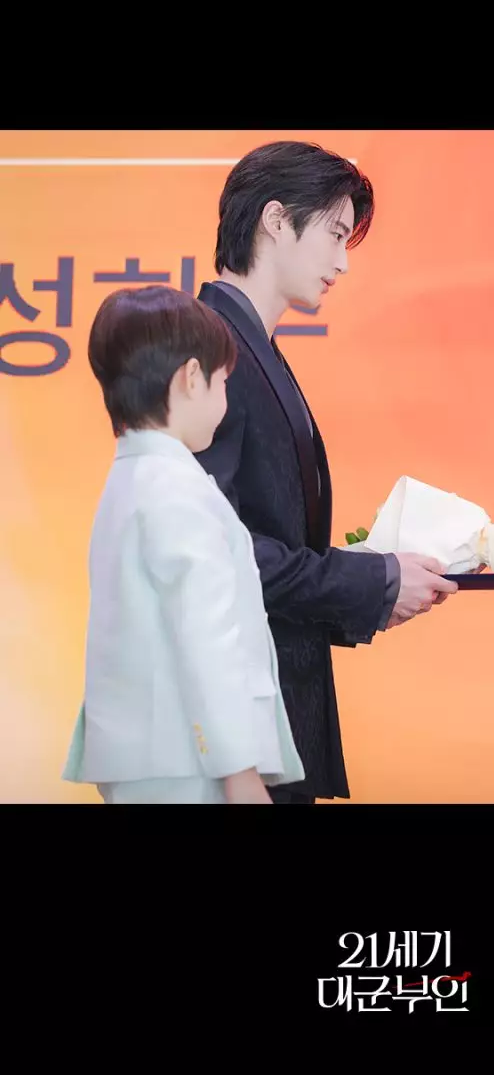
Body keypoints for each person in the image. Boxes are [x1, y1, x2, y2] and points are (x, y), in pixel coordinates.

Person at [194, 140, 458, 804]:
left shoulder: (248, 346)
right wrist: (369, 582)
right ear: (276, 220)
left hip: (269, 710)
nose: (343, 262)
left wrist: (377, 585)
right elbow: (213, 554)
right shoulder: (209, 350)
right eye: (336, 234)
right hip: (233, 732)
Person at [62, 285, 304, 804]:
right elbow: (205, 635)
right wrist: (238, 769)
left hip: (148, 754)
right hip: (187, 760)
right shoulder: (176, 489)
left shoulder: (130, 479)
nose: (224, 400)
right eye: (223, 382)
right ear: (192, 378)